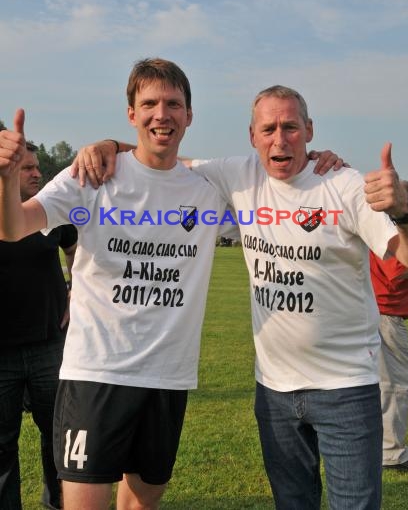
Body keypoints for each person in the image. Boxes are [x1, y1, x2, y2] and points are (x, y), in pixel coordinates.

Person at [0, 60, 343, 510]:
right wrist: (6, 179)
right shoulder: (92, 175)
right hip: (96, 373)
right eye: (149, 104)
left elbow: (279, 172)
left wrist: (322, 163)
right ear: (130, 113)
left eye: (173, 104)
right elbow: (14, 227)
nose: (162, 114)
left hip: (167, 377)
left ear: (189, 115)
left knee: (142, 504)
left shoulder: (208, 185)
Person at [76, 83, 408, 509]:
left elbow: (405, 255)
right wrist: (109, 145)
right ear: (252, 137)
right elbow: (160, 152)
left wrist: (402, 213)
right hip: (273, 390)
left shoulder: (341, 183)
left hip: (346, 388)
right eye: (268, 128)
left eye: (290, 127)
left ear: (309, 130)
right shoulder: (235, 175)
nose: (280, 138)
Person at [0, 141, 77, 510]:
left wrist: (76, 287)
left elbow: (74, 248)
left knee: (57, 436)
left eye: (37, 167)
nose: (37, 173)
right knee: (1, 444)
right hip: (2, 354)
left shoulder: (52, 211)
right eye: (26, 168)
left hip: (50, 347)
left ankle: (57, 504)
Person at [370, 237, 408, 471]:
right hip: (384, 314)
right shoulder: (394, 228)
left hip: (377, 311)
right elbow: (397, 269)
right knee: (396, 383)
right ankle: (391, 452)